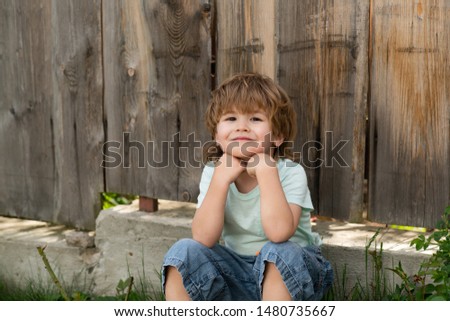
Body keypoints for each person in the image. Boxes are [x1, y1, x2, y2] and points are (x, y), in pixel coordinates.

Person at [161, 72, 333, 301]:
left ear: (278, 135)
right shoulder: (214, 172)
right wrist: (220, 182)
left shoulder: (290, 172)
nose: (241, 127)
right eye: (231, 119)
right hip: (236, 272)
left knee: (279, 251)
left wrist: (266, 173)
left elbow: (280, 233)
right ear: (216, 135)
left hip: (292, 273)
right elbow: (203, 237)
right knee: (184, 251)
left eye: (255, 119)